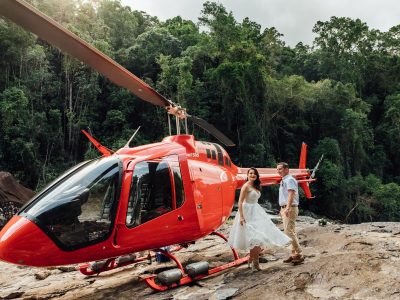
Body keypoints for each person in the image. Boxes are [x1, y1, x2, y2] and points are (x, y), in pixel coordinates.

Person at [228, 167, 291, 271]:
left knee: (259, 237)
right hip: (247, 211)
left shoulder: (256, 186)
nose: (252, 175)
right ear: (247, 175)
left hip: (256, 211)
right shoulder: (245, 186)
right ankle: (255, 262)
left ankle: (252, 259)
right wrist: (242, 217)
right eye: (250, 173)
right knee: (254, 237)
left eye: (254, 174)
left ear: (256, 176)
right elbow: (240, 201)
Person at [277, 162, 304, 265]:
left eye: (280, 169)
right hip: (285, 208)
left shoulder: (290, 180)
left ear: (286, 169)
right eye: (277, 169)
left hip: (290, 208)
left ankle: (300, 253)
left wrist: (287, 208)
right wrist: (282, 209)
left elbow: (291, 194)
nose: (278, 171)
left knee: (289, 232)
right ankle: (294, 254)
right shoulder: (284, 180)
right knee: (290, 231)